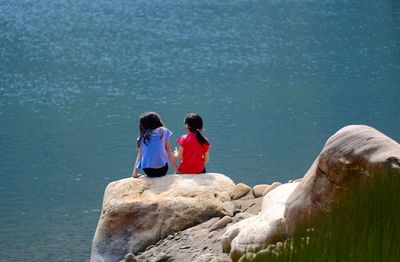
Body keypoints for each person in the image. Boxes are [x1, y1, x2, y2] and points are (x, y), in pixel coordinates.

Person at [132, 112, 178, 178]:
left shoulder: (142, 136)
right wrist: (176, 170)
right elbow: (169, 152)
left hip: (148, 171)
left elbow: (140, 154)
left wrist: (134, 174)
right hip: (162, 169)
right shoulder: (163, 131)